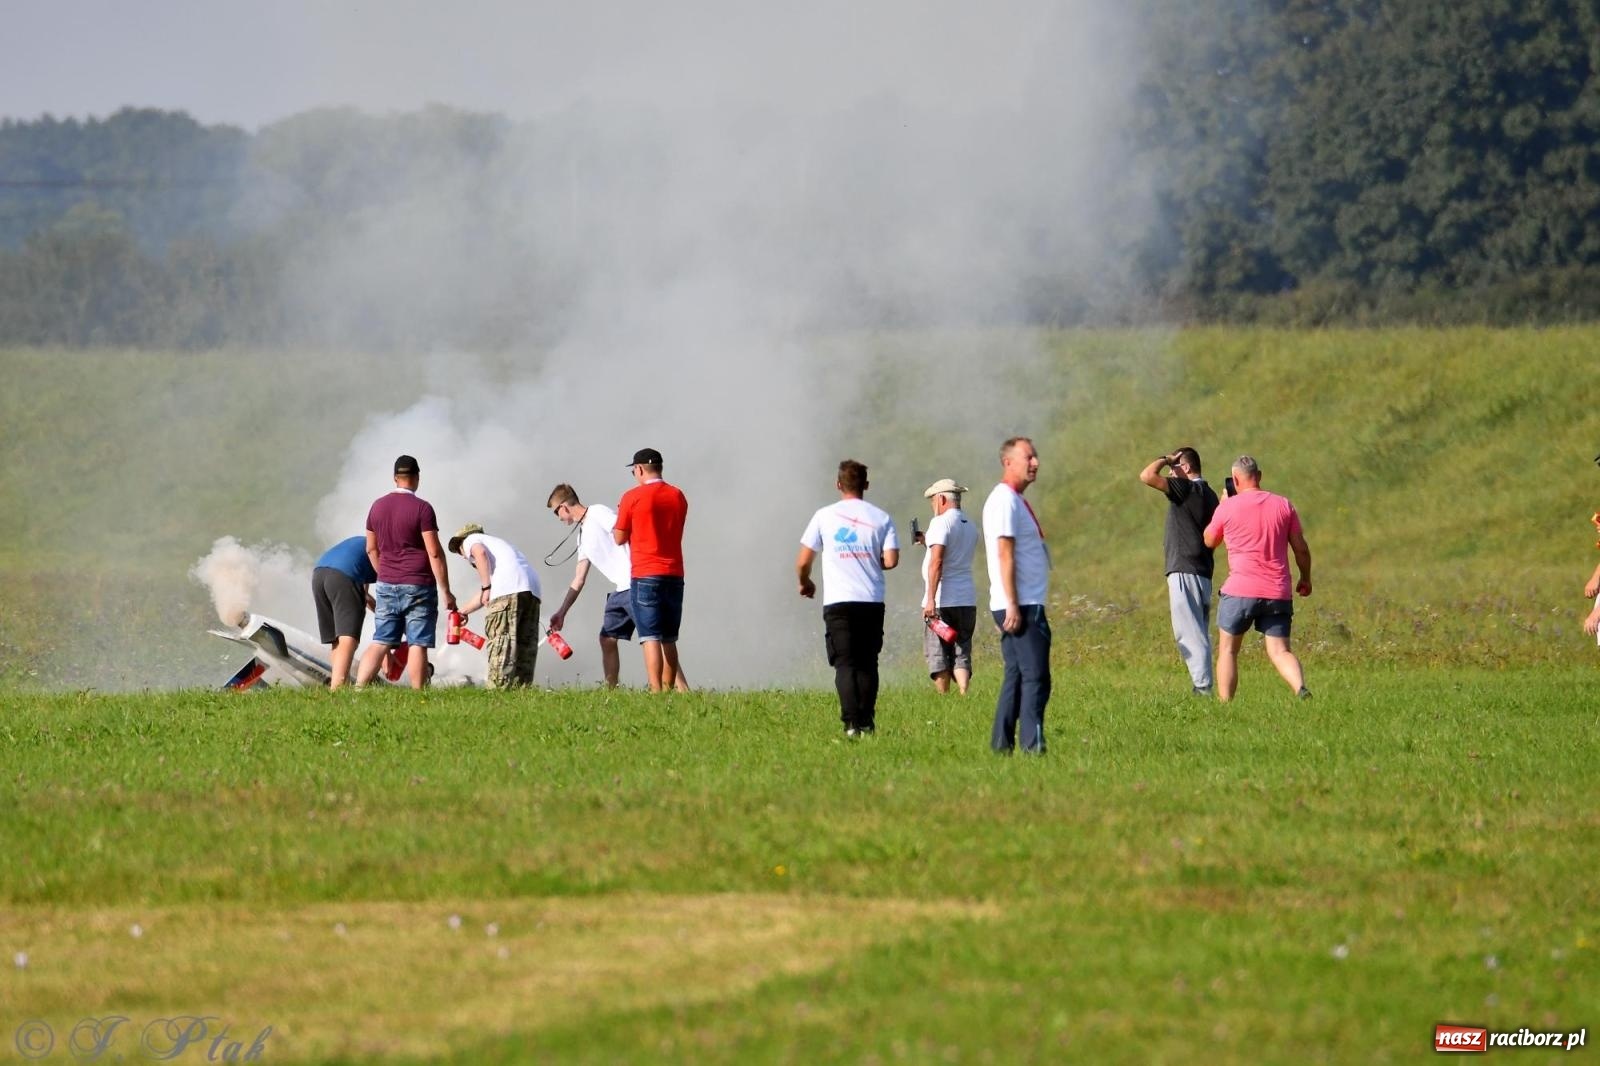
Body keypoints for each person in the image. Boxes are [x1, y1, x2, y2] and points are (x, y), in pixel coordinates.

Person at [545, 483, 690, 690]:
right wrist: (562, 612)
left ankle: (682, 689)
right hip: (620, 590)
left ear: (563, 507)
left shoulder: (597, 512)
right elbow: (579, 578)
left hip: (636, 582)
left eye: (556, 513)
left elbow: (625, 530)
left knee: (655, 638)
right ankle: (611, 691)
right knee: (607, 639)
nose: (559, 518)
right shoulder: (582, 536)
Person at [797, 459, 899, 736]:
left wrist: (805, 582)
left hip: (838, 602)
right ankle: (867, 721)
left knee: (845, 663)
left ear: (838, 484)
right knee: (868, 662)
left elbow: (803, 561)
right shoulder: (882, 518)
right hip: (871, 600)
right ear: (866, 485)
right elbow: (891, 560)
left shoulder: (823, 516)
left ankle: (850, 723)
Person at [1202, 454, 1313, 701]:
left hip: (1240, 590)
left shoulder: (1228, 507)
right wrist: (1305, 578)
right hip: (1277, 590)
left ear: (1235, 480)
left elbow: (1209, 540)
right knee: (1280, 651)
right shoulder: (1284, 505)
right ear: (1259, 476)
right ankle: (1300, 688)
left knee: (1229, 651)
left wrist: (1221, 507)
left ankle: (1226, 704)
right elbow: (1301, 548)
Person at [353, 454, 456, 689]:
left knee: (381, 640)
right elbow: (435, 552)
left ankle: (358, 689)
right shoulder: (423, 509)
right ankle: (418, 696)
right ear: (417, 478)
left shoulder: (377, 507)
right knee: (417, 642)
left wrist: (385, 574)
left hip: (387, 583)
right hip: (419, 583)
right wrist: (446, 591)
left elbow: (371, 548)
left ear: (394, 478)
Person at [983, 437, 1052, 754]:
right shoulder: (1005, 501)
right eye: (1029, 457)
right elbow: (1004, 553)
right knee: (1036, 677)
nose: (1035, 462)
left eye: (1036, 456)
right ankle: (1032, 746)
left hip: (1019, 601)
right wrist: (1012, 603)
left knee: (1015, 675)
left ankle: (1001, 745)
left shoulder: (1013, 499)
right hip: (1021, 604)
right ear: (1008, 462)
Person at [1139, 446, 1222, 696]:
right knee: (1198, 629)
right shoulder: (1210, 495)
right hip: (1203, 569)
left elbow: (1146, 476)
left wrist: (1165, 459)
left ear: (1185, 468)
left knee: (1188, 630)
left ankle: (1202, 686)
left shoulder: (1186, 488)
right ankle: (1204, 681)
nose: (1171, 472)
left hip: (1184, 567)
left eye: (1175, 467)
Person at [613, 447, 689, 693]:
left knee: (650, 636)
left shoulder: (631, 497)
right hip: (674, 573)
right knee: (669, 637)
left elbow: (619, 537)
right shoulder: (678, 496)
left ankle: (655, 690)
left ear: (640, 469)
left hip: (645, 572)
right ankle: (669, 689)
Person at [448, 523, 542, 689]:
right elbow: (491, 591)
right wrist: (463, 611)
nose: (463, 556)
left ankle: (497, 694)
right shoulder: (502, 549)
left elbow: (480, 553)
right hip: (531, 591)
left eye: (460, 551)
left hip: (508, 593)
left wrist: (486, 587)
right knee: (524, 647)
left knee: (501, 643)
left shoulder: (471, 540)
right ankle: (522, 693)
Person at [915, 477, 979, 695]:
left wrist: (930, 598)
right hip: (966, 599)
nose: (933, 505)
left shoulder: (940, 523)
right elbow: (955, 550)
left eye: (933, 500)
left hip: (943, 599)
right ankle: (963, 692)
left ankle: (943, 698)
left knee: (938, 651)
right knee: (962, 649)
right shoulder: (969, 524)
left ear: (941, 498)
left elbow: (938, 561)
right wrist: (927, 540)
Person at [311, 535, 377, 689]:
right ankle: (338, 688)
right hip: (344, 576)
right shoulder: (387, 547)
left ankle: (339, 682)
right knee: (348, 638)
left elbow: (365, 594)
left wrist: (367, 600)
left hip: (319, 574)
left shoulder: (363, 542)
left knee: (337, 639)